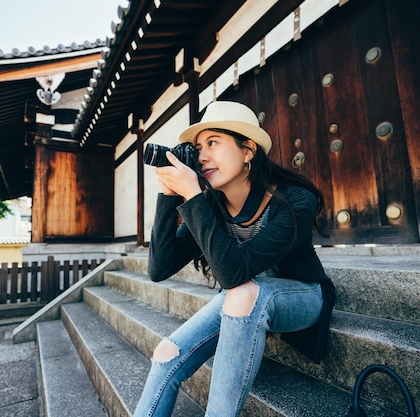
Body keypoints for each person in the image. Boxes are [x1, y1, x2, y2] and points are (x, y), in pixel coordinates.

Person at [133, 101, 335, 417]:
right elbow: (159, 269)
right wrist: (169, 195)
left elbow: (233, 275)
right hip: (242, 298)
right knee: (166, 353)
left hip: (302, 296)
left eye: (213, 142)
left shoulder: (294, 199)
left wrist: (193, 196)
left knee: (241, 292)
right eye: (198, 148)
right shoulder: (210, 206)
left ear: (248, 150)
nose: (201, 156)